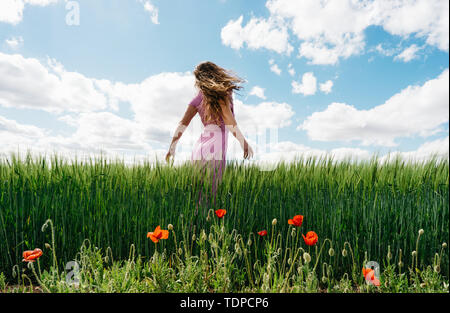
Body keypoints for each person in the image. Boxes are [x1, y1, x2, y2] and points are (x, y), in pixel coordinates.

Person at [165, 61, 254, 208]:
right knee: (211, 196)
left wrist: (172, 147)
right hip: (216, 146)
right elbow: (229, 120)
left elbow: (182, 124)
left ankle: (194, 227)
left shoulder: (197, 98)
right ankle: (206, 226)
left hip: (199, 147)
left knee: (196, 195)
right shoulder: (224, 93)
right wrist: (243, 142)